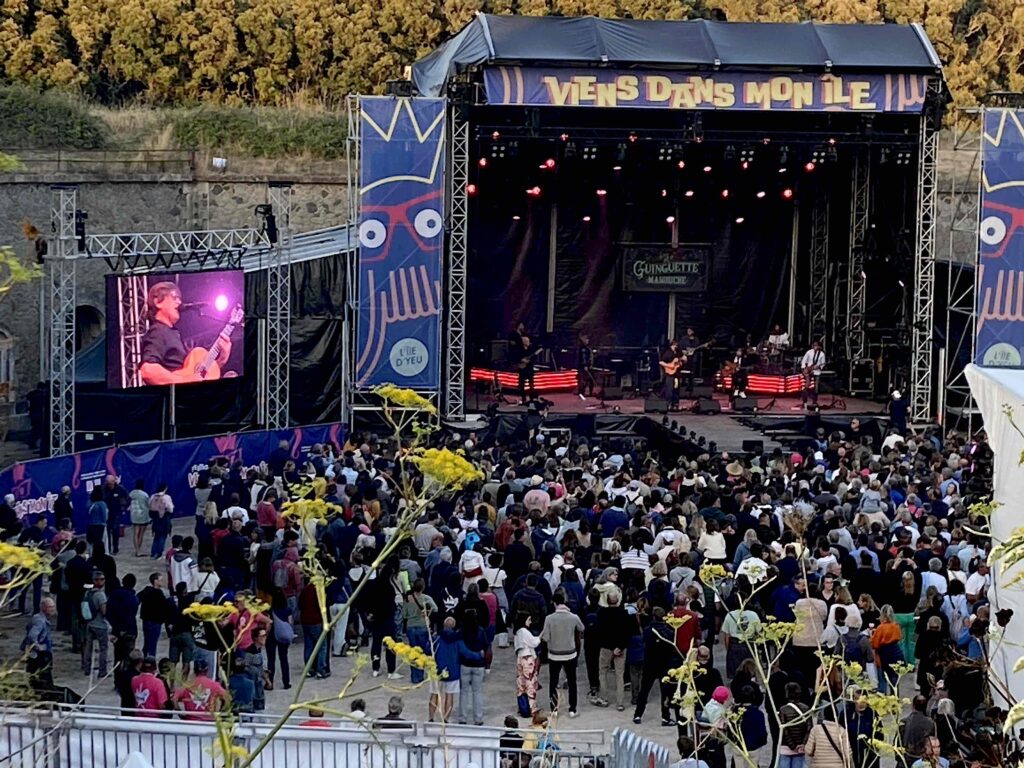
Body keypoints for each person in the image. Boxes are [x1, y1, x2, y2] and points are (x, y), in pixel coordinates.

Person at [138, 281, 233, 385]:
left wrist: (221, 360)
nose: (179, 302)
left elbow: (194, 375)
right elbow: (148, 370)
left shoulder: (173, 333)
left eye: (179, 299)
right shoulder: (158, 332)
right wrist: (186, 380)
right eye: (174, 297)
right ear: (158, 302)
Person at [540, 590, 584, 718]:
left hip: (554, 654)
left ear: (554, 603)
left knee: (553, 682)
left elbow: (545, 637)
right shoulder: (573, 617)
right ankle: (572, 709)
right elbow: (582, 628)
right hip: (570, 654)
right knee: (572, 681)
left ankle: (554, 709)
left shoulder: (549, 618)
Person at [22, 597, 56, 687]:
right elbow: (32, 636)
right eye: (50, 607)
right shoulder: (39, 621)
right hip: (38, 657)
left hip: (40, 655)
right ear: (44, 608)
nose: (53, 609)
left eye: (53, 606)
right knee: (42, 680)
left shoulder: (41, 619)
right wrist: (39, 647)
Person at [82, 570, 110, 677]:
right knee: (103, 649)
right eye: (100, 579)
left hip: (89, 623)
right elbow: (104, 611)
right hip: (100, 625)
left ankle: (87, 668)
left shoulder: (87, 593)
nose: (101, 581)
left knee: (88, 648)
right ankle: (102, 671)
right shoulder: (100, 595)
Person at [514, 613, 542, 717]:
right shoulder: (524, 631)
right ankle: (532, 709)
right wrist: (540, 636)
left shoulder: (517, 632)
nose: (530, 622)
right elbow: (534, 643)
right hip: (527, 659)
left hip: (520, 659)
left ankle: (522, 708)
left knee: (521, 685)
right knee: (530, 684)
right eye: (529, 619)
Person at [510, 322, 536, 404]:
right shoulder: (519, 350)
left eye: (528, 341)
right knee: (522, 384)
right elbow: (517, 357)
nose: (528, 342)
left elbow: (534, 357)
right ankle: (523, 398)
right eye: (526, 341)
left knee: (531, 384)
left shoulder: (531, 350)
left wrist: (529, 361)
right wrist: (522, 360)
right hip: (523, 368)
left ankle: (532, 398)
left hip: (529, 368)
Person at [799, 340, 826, 408]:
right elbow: (804, 361)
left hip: (816, 372)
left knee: (816, 388)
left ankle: (814, 401)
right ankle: (804, 401)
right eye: (814, 345)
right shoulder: (809, 352)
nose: (815, 346)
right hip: (808, 371)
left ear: (819, 346)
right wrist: (804, 369)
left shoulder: (822, 354)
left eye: (816, 345)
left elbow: (823, 364)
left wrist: (818, 367)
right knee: (806, 386)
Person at [129, 479, 150, 557]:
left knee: (135, 533)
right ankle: (139, 550)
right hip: (143, 515)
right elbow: (148, 504)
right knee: (141, 534)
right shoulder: (144, 494)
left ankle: (137, 550)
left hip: (134, 514)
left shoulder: (132, 493)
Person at [660, 340, 684, 407]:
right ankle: (668, 403)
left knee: (676, 389)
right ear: (671, 346)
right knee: (669, 389)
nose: (676, 347)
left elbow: (683, 360)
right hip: (670, 373)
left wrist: (683, 360)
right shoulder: (667, 353)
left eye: (676, 346)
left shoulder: (678, 353)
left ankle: (675, 404)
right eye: (674, 345)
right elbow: (661, 362)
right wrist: (669, 366)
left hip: (677, 374)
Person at [577, 332, 595, 398]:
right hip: (584, 366)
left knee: (588, 380)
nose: (588, 340)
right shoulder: (583, 349)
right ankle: (581, 393)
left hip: (587, 366)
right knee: (583, 380)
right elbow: (583, 357)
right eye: (586, 339)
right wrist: (585, 365)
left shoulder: (586, 348)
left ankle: (587, 392)